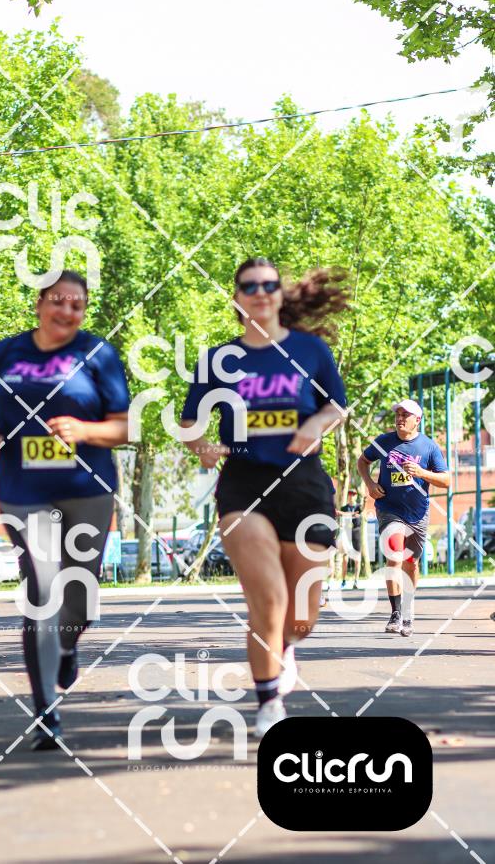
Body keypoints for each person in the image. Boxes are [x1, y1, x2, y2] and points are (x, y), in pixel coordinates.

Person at [181, 257, 348, 737]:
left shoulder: (309, 351)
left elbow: (336, 405)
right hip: (244, 484)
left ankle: (285, 646)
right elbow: (190, 421)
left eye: (268, 284)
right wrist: (202, 446)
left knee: (301, 618)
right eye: (249, 285)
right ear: (237, 298)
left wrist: (315, 425)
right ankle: (269, 700)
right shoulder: (218, 360)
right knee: (268, 600)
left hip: (304, 484)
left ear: (279, 293)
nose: (259, 292)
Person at [0, 270, 129, 750]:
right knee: (42, 586)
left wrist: (84, 431)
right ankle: (46, 713)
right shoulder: (6, 353)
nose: (67, 311)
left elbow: (123, 427)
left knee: (79, 594)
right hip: (24, 490)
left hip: (87, 487)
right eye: (59, 301)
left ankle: (65, 645)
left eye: (77, 305)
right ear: (40, 303)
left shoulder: (98, 354)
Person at [357, 399, 450, 638]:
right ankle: (396, 613)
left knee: (411, 563)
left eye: (405, 415)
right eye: (398, 414)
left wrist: (421, 473)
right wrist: (370, 484)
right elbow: (362, 461)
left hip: (418, 513)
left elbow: (446, 480)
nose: (400, 419)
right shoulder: (384, 442)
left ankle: (408, 610)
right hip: (389, 509)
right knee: (394, 557)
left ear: (417, 420)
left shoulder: (428, 447)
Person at [338, 488, 362, 589]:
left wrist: (365, 500)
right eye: (350, 494)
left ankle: (356, 581)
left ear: (356, 496)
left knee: (357, 558)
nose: (351, 496)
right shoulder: (344, 508)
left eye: (353, 494)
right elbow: (340, 520)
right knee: (345, 558)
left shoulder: (359, 507)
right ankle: (343, 580)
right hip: (347, 533)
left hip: (356, 533)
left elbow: (363, 510)